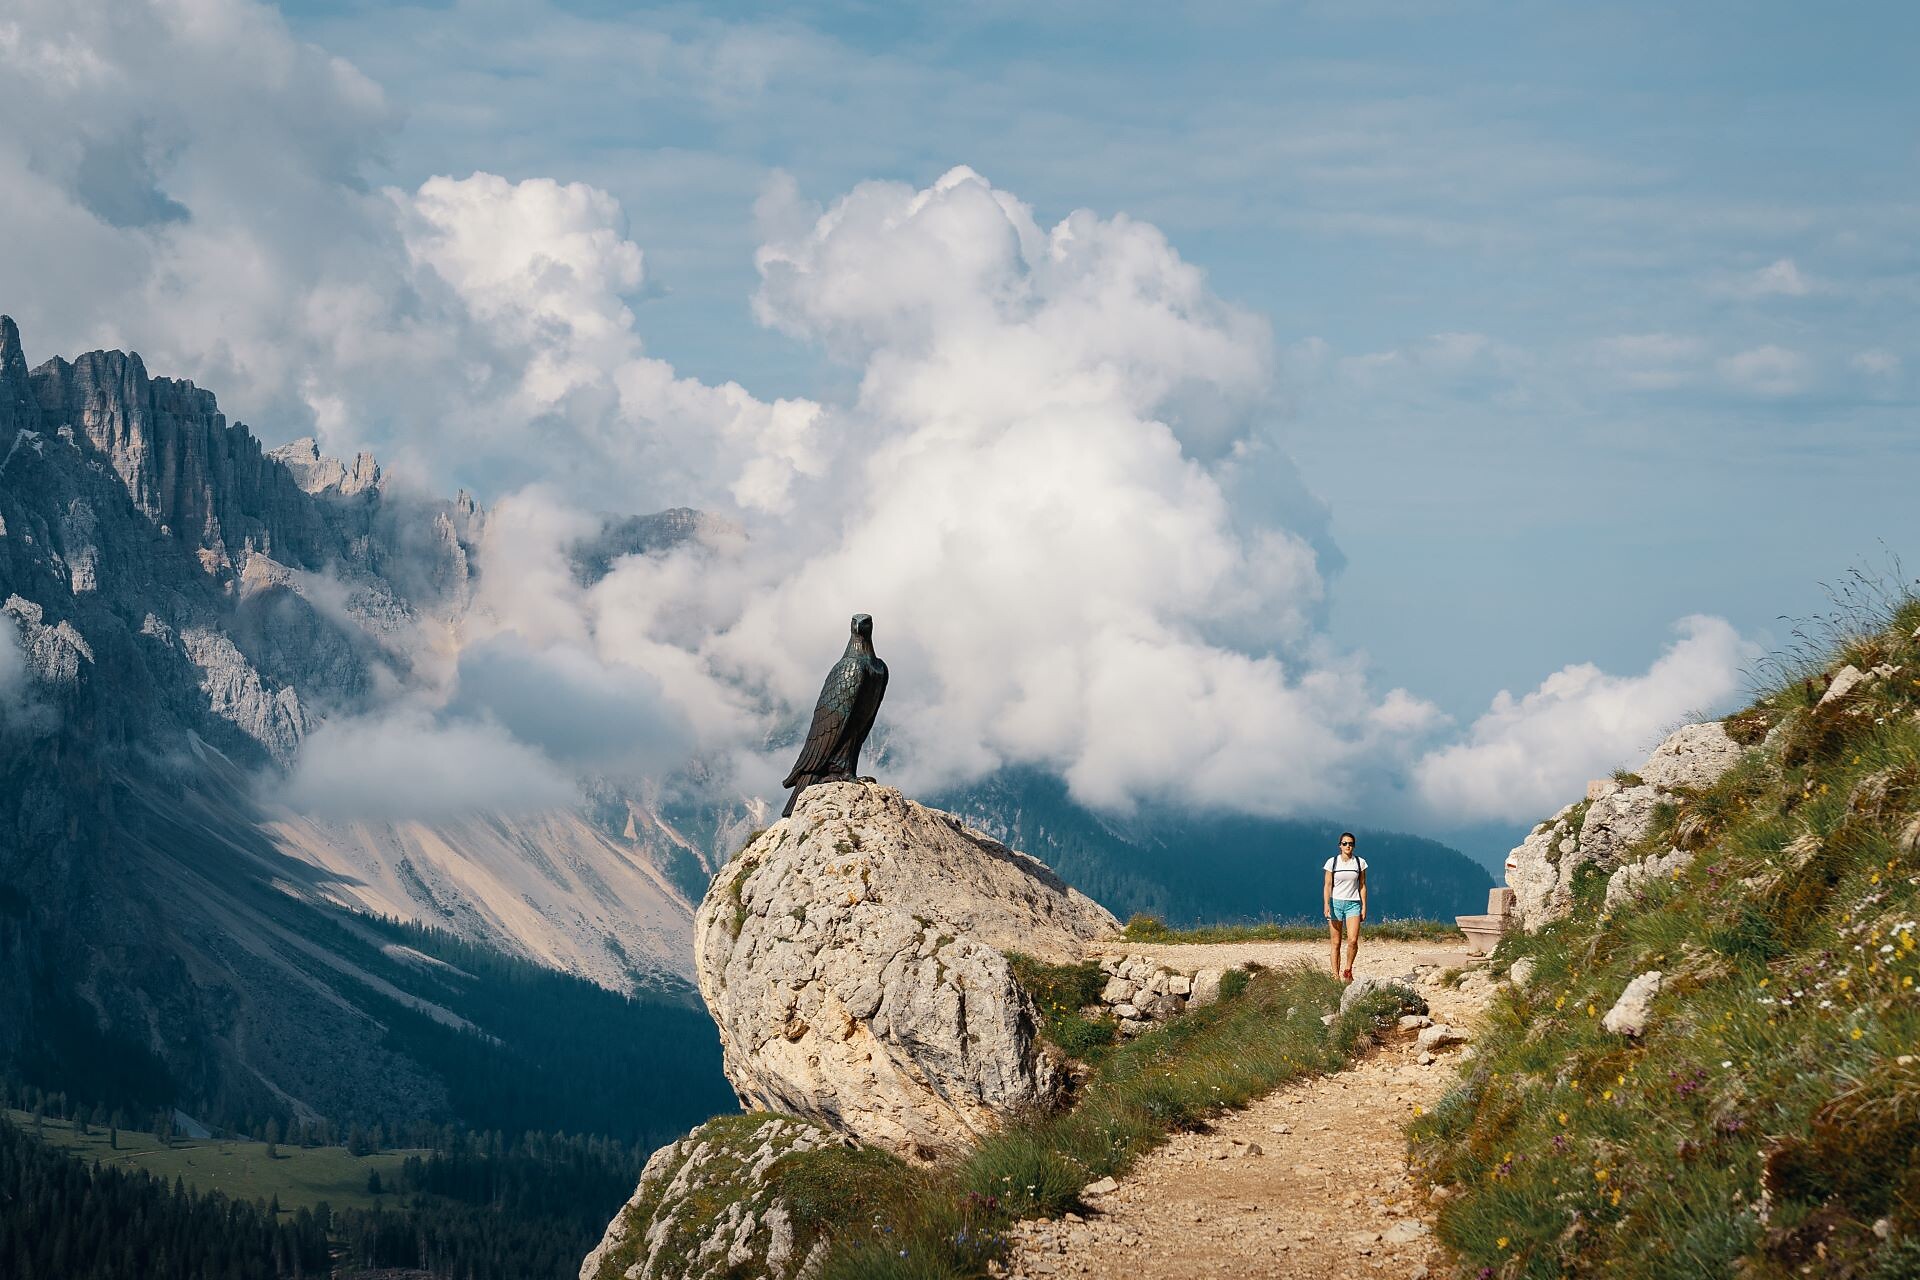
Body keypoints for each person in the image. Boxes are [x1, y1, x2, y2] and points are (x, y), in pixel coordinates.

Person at [1323, 832, 1367, 982]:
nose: (1348, 846)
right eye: (1345, 843)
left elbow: (1362, 885)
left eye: (1351, 843)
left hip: (1353, 904)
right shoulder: (1332, 862)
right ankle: (1335, 975)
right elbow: (1327, 885)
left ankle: (1348, 969)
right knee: (1336, 942)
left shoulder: (1360, 863)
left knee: (1353, 940)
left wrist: (1364, 906)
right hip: (1336, 903)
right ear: (1339, 845)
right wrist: (1326, 904)